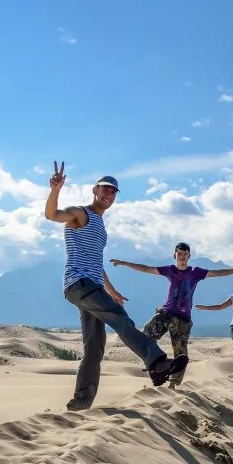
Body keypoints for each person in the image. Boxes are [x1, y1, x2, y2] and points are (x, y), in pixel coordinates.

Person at [44, 161, 188, 411]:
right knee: (121, 319)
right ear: (94, 190)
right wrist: (55, 190)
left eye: (113, 192)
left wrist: (111, 291)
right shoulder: (80, 213)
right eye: (105, 189)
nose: (108, 194)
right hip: (79, 284)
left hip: (92, 287)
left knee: (94, 347)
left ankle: (80, 403)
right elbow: (52, 215)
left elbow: (96, 264)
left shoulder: (101, 227)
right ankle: (157, 363)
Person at [109, 243, 233, 388]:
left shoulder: (195, 272)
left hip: (183, 319)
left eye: (185, 254)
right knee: (146, 334)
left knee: (180, 353)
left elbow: (217, 273)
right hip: (166, 313)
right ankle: (157, 363)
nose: (182, 257)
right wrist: (124, 263)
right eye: (179, 254)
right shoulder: (169, 270)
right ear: (175, 256)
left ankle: (174, 384)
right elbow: (146, 268)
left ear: (189, 256)